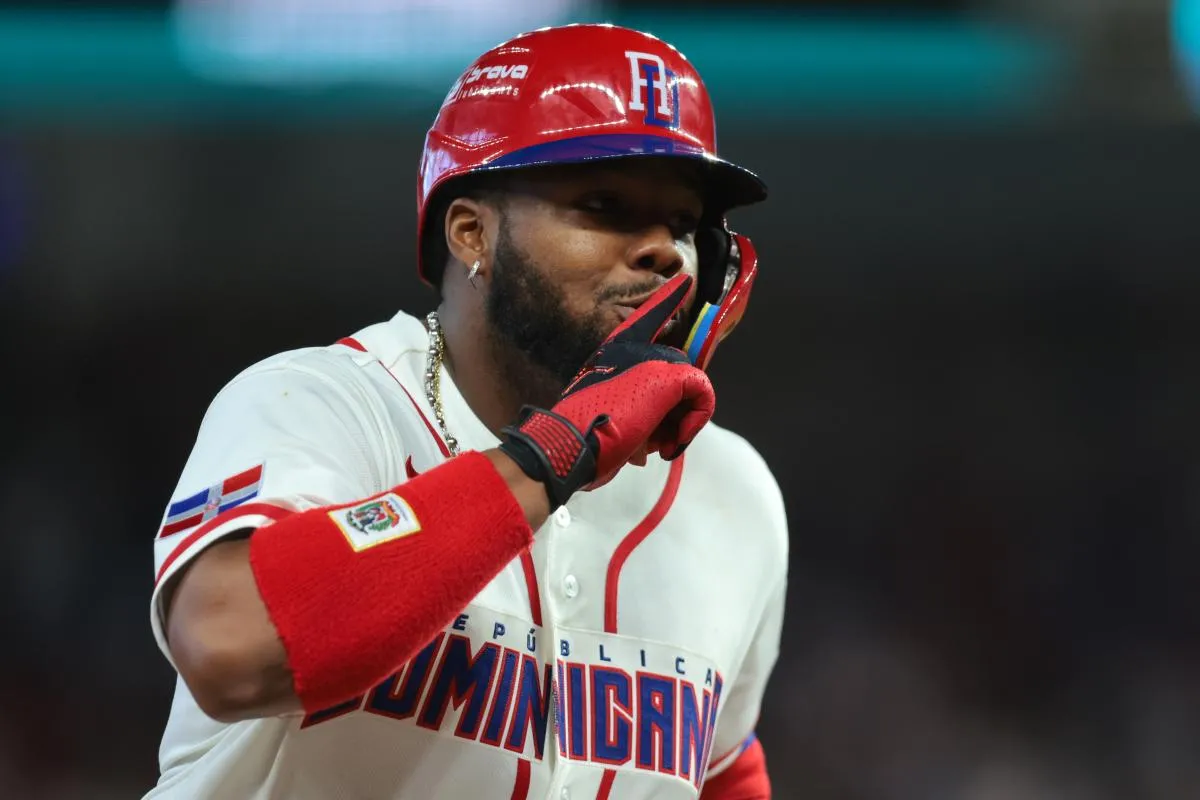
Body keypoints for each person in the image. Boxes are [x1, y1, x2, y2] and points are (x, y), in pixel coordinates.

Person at [145, 22, 788, 800]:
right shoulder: (325, 406)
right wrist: (552, 453)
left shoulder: (732, 492)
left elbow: (723, 769)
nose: (660, 250)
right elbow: (229, 646)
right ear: (471, 232)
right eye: (604, 204)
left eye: (683, 226)